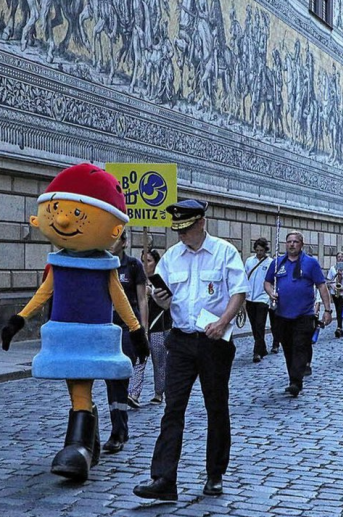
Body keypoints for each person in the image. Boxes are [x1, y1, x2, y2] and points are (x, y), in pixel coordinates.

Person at [0, 163, 149, 482]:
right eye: (56, 210)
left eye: (77, 214)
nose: (64, 220)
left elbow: (120, 298)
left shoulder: (106, 266)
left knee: (83, 384)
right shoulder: (59, 264)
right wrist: (18, 319)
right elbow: (43, 293)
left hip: (95, 336)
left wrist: (137, 330)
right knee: (77, 386)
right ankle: (87, 442)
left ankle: (79, 444)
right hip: (65, 336)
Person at [134, 199, 249, 500]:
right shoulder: (172, 257)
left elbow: (239, 291)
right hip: (181, 340)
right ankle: (163, 479)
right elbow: (165, 298)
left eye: (186, 228)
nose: (182, 234)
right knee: (173, 408)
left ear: (201, 223)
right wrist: (160, 299)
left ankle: (215, 475)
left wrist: (223, 323)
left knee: (216, 407)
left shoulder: (224, 252)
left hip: (214, 342)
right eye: (178, 230)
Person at [264, 231, 332, 397]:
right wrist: (271, 292)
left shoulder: (310, 263)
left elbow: (321, 286)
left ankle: (296, 382)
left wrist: (327, 310)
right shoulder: (277, 263)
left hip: (304, 314)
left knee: (300, 346)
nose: (292, 244)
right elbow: (267, 282)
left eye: (295, 242)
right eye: (289, 242)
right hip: (282, 314)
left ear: (301, 244)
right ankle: (293, 378)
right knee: (288, 348)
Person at [106, 230, 148, 455]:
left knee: (119, 378)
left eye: (115, 239)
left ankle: (118, 431)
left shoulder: (133, 265)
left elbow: (142, 299)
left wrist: (143, 330)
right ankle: (118, 427)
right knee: (110, 380)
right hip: (105, 329)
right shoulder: (103, 264)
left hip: (127, 329)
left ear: (124, 242)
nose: (110, 243)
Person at [130, 249, 169, 405]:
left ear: (156, 263)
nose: (145, 265)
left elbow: (167, 303)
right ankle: (134, 394)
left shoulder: (160, 279)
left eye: (149, 261)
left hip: (158, 326)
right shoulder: (138, 279)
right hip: (141, 326)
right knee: (139, 359)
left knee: (159, 361)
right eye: (143, 261)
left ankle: (159, 392)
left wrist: (151, 292)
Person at [244, 238, 274, 363]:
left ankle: (257, 352)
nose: (259, 253)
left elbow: (272, 280)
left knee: (260, 325)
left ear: (265, 250)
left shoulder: (270, 262)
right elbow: (245, 277)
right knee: (254, 326)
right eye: (257, 250)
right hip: (250, 297)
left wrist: (270, 295)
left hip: (263, 297)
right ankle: (263, 348)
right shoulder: (249, 261)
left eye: (261, 250)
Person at [328, 252, 343, 338]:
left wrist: (342, 276)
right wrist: (333, 287)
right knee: (337, 309)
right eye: (338, 256)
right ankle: (340, 327)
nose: (340, 258)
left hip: (342, 292)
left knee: (340, 309)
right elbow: (329, 280)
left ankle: (339, 327)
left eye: (341, 257)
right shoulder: (332, 268)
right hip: (335, 292)